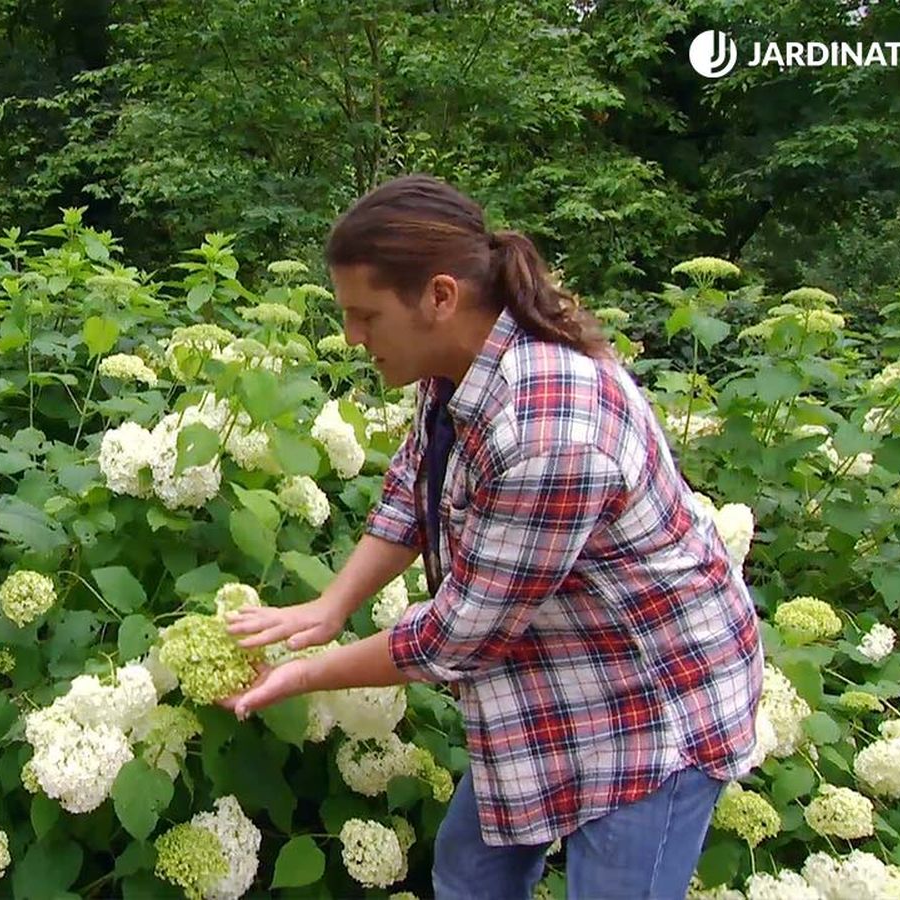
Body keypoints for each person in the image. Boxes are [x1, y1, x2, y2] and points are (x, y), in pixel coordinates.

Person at [221, 174, 763, 900]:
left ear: (439, 296)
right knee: (472, 871)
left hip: (653, 707)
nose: (352, 337)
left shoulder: (550, 431)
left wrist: (303, 673)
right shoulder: (455, 364)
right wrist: (329, 606)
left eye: (366, 315)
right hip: (549, 674)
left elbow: (457, 640)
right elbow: (413, 491)